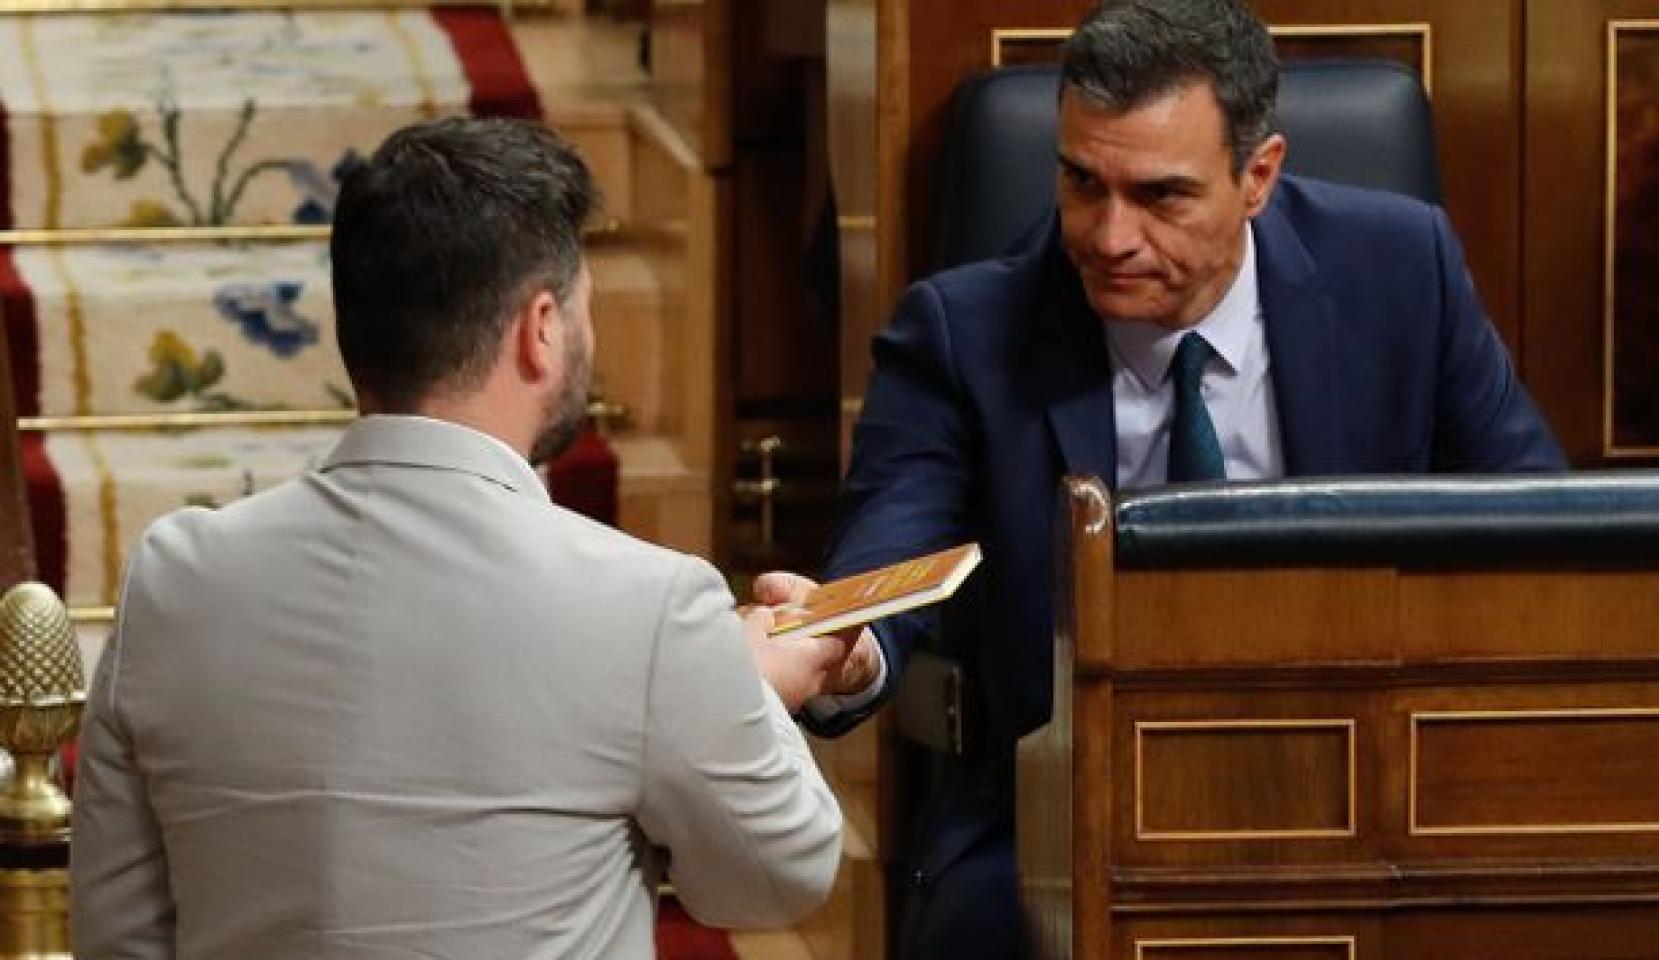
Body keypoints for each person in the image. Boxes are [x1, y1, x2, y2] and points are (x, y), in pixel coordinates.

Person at [758, 1, 1568, 957]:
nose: (1108, 236)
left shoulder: (1402, 271)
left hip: (1369, 772)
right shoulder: (966, 331)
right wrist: (849, 646)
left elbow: (1535, 537)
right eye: (1081, 182)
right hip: (1069, 795)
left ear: (1258, 175)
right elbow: (897, 537)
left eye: (1161, 196)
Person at [70, 117, 847, 960]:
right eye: (584, 309)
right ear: (540, 329)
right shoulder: (651, 607)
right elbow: (778, 876)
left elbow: (119, 938)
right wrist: (750, 690)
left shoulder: (173, 580)